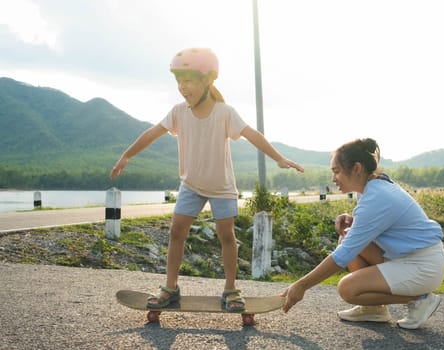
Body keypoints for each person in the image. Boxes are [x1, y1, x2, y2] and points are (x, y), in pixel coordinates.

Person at [110, 47, 304, 312]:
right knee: (177, 232)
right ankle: (170, 287)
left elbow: (251, 134)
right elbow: (152, 133)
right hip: (191, 185)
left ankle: (231, 289)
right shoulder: (179, 112)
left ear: (208, 80)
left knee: (227, 237)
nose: (182, 86)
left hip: (221, 187)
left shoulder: (224, 112)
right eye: (179, 81)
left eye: (188, 80)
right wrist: (126, 156)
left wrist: (279, 158)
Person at [282, 138, 444, 329]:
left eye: (336, 171)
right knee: (347, 236)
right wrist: (354, 222)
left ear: (357, 168)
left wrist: (301, 285)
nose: (333, 179)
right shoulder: (372, 188)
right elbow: (378, 225)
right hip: (411, 259)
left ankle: (420, 298)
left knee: (348, 289)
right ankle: (374, 309)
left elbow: (343, 255)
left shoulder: (376, 196)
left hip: (423, 266)